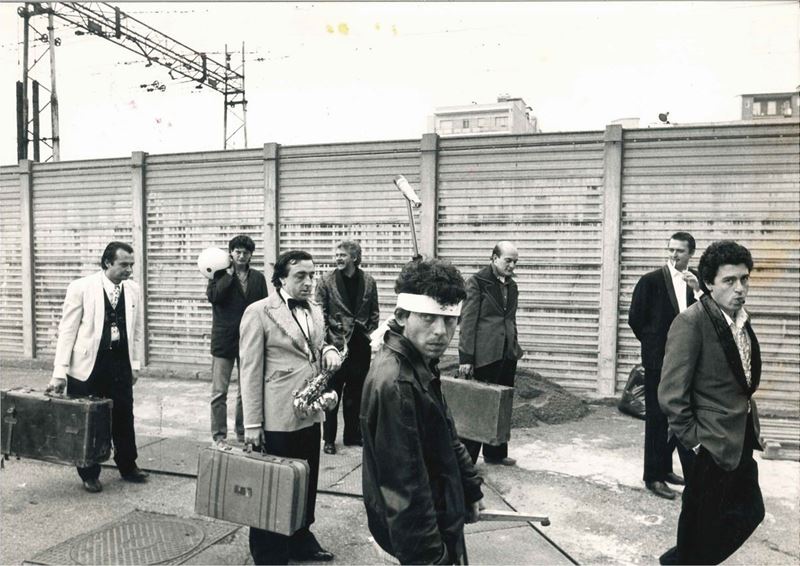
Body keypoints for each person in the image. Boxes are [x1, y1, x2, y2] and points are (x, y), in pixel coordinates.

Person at [361, 257, 484, 565]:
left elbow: (447, 434)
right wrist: (431, 558)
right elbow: (405, 486)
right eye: (428, 318)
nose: (441, 331)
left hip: (441, 516)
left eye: (450, 320)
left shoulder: (421, 362)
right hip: (418, 541)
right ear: (402, 315)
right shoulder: (397, 383)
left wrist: (470, 489)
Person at [658, 240, 764, 565]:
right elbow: (671, 393)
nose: (740, 288)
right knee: (700, 524)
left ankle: (678, 562)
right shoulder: (692, 322)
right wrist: (695, 442)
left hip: (738, 436)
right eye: (729, 281)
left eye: (744, 279)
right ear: (708, 283)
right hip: (708, 442)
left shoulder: (739, 319)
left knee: (750, 511)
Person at [239, 250, 342, 565]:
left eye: (312, 275)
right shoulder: (259, 312)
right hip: (277, 416)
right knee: (273, 486)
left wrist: (330, 349)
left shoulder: (315, 309)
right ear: (281, 278)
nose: (309, 282)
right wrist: (252, 424)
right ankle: (269, 553)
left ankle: (300, 541)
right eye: (300, 276)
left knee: (305, 482)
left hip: (309, 412)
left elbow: (316, 344)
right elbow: (249, 371)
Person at [46, 241, 148, 493]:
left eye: (131, 265)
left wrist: (134, 365)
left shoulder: (133, 290)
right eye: (123, 265)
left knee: (124, 415)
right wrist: (59, 372)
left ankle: (128, 465)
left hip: (120, 364)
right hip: (88, 366)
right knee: (89, 420)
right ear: (107, 263)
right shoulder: (81, 287)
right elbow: (67, 331)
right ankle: (89, 473)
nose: (129, 270)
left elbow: (136, 331)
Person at [628, 232, 699, 499]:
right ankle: (653, 477)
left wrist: (697, 289)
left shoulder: (697, 281)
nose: (674, 255)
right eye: (671, 250)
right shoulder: (651, 281)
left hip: (687, 361)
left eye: (680, 251)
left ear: (691, 253)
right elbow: (635, 319)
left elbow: (707, 313)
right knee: (656, 417)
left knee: (680, 415)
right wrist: (654, 345)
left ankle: (666, 468)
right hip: (658, 360)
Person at [457, 241, 524, 466]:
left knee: (502, 405)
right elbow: (468, 322)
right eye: (508, 261)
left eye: (515, 262)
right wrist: (466, 358)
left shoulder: (512, 286)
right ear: (494, 258)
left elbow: (510, 319)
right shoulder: (477, 282)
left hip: (507, 353)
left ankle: (496, 453)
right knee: (479, 406)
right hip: (484, 354)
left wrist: (514, 344)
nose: (512, 266)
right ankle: (467, 460)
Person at [315, 240, 380, 454]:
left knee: (356, 393)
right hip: (335, 345)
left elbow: (374, 311)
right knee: (331, 392)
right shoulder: (325, 280)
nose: (338, 258)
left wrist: (369, 333)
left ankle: (352, 435)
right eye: (336, 255)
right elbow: (319, 314)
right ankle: (329, 439)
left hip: (360, 345)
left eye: (342, 255)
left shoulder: (369, 281)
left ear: (354, 257)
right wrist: (326, 343)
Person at [206, 235, 268, 448]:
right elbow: (214, 297)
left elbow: (264, 307)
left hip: (250, 339)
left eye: (245, 253)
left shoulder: (258, 278)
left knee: (247, 389)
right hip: (224, 340)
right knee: (219, 392)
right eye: (237, 252)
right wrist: (229, 275)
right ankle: (219, 435)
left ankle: (243, 431)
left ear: (251, 255)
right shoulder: (218, 274)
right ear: (230, 253)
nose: (241, 256)